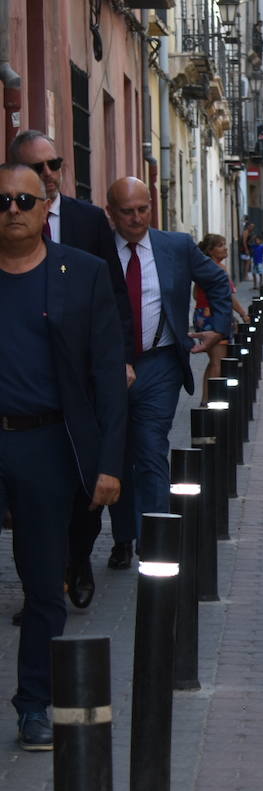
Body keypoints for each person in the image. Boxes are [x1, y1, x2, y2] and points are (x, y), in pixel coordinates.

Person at [0, 164, 125, 750]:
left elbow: (106, 376)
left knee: (44, 585)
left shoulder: (84, 275)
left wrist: (109, 464)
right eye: (3, 200)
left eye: (24, 199)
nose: (13, 209)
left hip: (48, 445)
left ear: (43, 205)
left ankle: (34, 705)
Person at [9, 130, 133, 612]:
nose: (49, 175)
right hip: (30, 391)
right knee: (32, 506)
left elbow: (115, 294)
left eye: (54, 164)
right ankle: (43, 585)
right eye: (37, 169)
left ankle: (77, 561)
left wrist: (119, 357)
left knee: (85, 489)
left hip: (82, 382)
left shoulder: (85, 220)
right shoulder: (10, 220)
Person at [105, 177, 231, 566]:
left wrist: (217, 329)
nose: (137, 218)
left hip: (160, 364)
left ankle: (153, 537)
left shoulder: (175, 246)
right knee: (116, 453)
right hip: (109, 369)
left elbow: (218, 282)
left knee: (151, 448)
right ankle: (124, 537)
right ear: (112, 213)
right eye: (127, 211)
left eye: (143, 209)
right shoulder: (97, 251)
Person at [195, 234, 251, 404]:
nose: (226, 248)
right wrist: (243, 313)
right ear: (211, 251)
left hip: (203, 315)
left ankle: (206, 400)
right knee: (218, 361)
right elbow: (226, 297)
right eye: (220, 245)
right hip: (215, 317)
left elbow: (196, 294)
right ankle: (212, 402)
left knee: (214, 361)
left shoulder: (204, 268)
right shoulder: (218, 269)